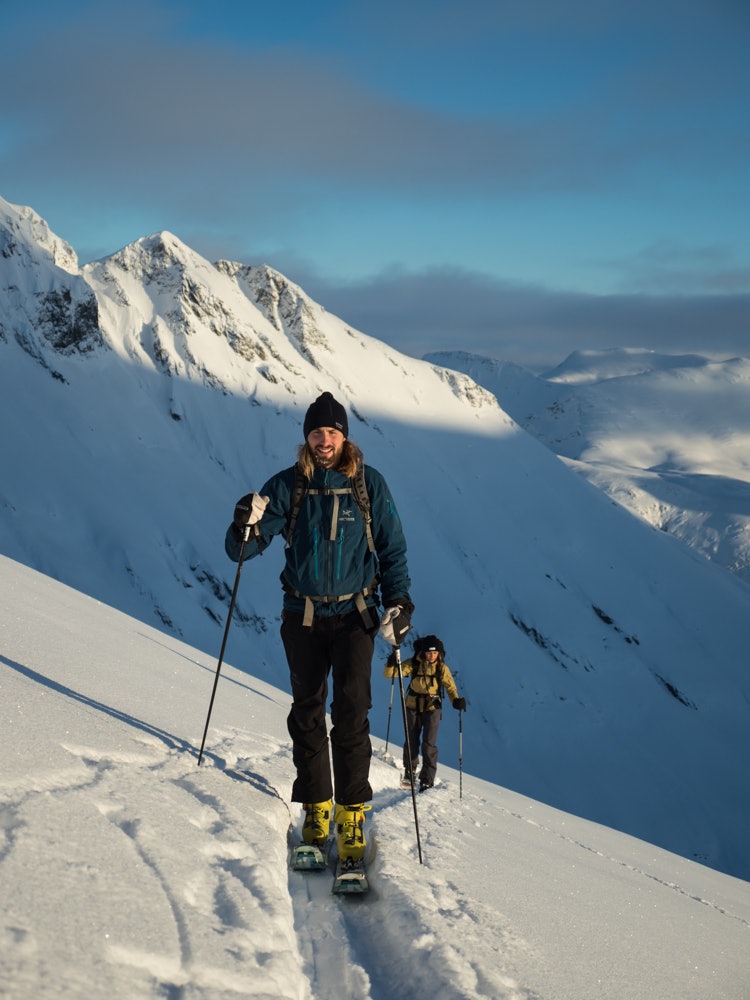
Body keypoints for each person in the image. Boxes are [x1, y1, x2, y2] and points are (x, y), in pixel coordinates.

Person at [226, 391, 413, 862]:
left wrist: (400, 604)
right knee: (307, 713)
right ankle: (316, 807)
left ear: (344, 436)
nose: (323, 440)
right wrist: (242, 524)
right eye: (316, 432)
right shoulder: (288, 486)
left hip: (355, 617)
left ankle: (352, 814)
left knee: (351, 715)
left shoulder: (368, 485)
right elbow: (243, 551)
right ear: (305, 437)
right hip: (303, 618)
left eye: (331, 432)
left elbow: (392, 551)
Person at [384, 634, 465, 792]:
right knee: (411, 740)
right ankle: (410, 772)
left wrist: (456, 700)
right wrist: (390, 663)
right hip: (412, 706)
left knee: (429, 744)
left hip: (432, 708)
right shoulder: (414, 664)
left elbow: (450, 686)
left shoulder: (442, 668)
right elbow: (390, 674)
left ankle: (427, 778)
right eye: (429, 653)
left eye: (435, 653)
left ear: (439, 654)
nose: (432, 656)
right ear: (423, 652)